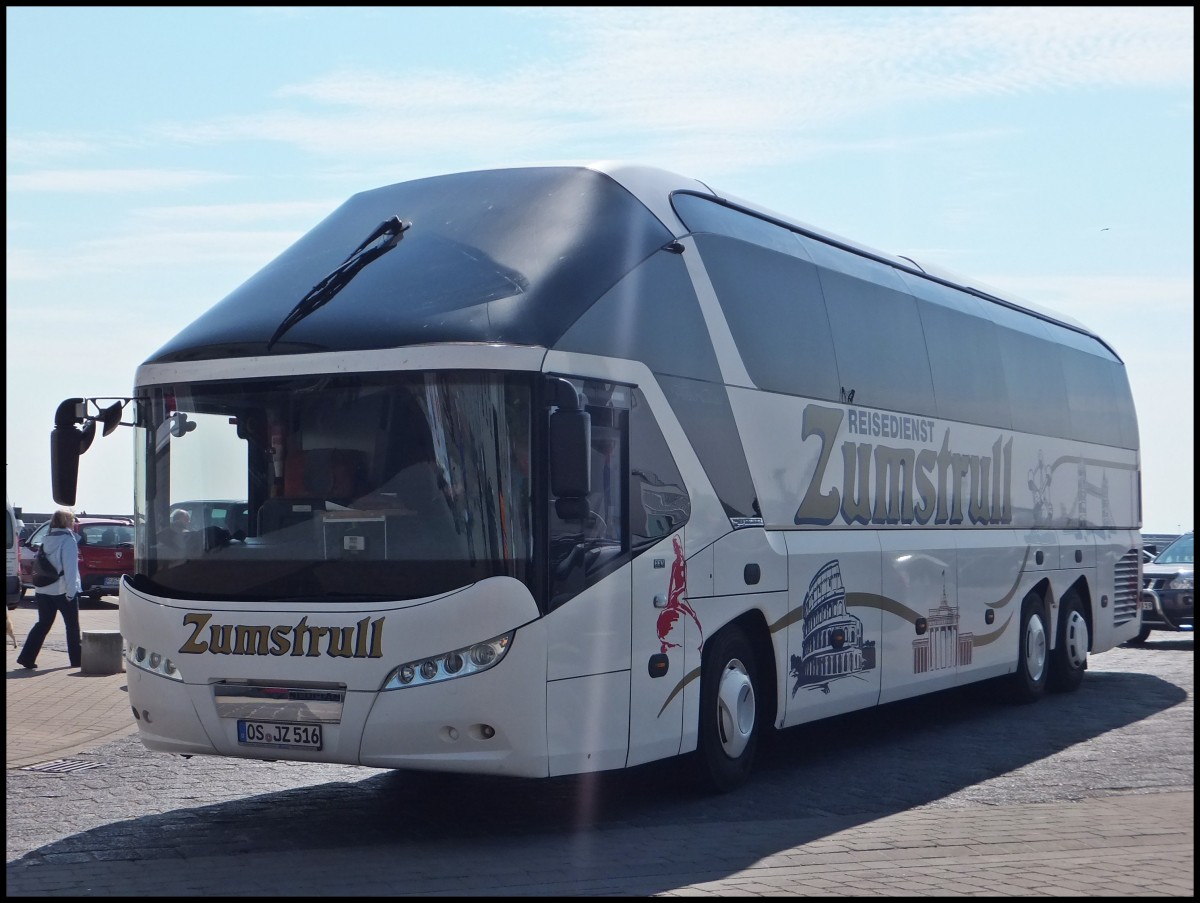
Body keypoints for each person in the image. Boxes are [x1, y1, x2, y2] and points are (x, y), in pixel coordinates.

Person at [16, 509, 83, 670]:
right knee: (72, 626)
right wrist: (71, 591)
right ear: (67, 522)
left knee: (43, 623)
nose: (74, 523)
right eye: (72, 520)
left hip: (43, 589)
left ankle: (26, 657)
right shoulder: (68, 541)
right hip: (62, 590)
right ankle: (76, 660)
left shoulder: (46, 539)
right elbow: (70, 568)